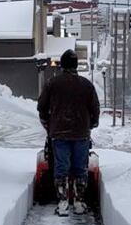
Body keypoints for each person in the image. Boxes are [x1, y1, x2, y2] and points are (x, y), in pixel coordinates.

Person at [37, 49, 100, 216]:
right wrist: (91, 124)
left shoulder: (52, 83)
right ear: (76, 65)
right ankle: (79, 202)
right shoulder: (87, 85)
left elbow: (41, 107)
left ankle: (63, 202)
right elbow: (95, 109)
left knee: (61, 167)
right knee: (80, 167)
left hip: (59, 133)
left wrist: (48, 124)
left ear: (62, 65)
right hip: (81, 134)